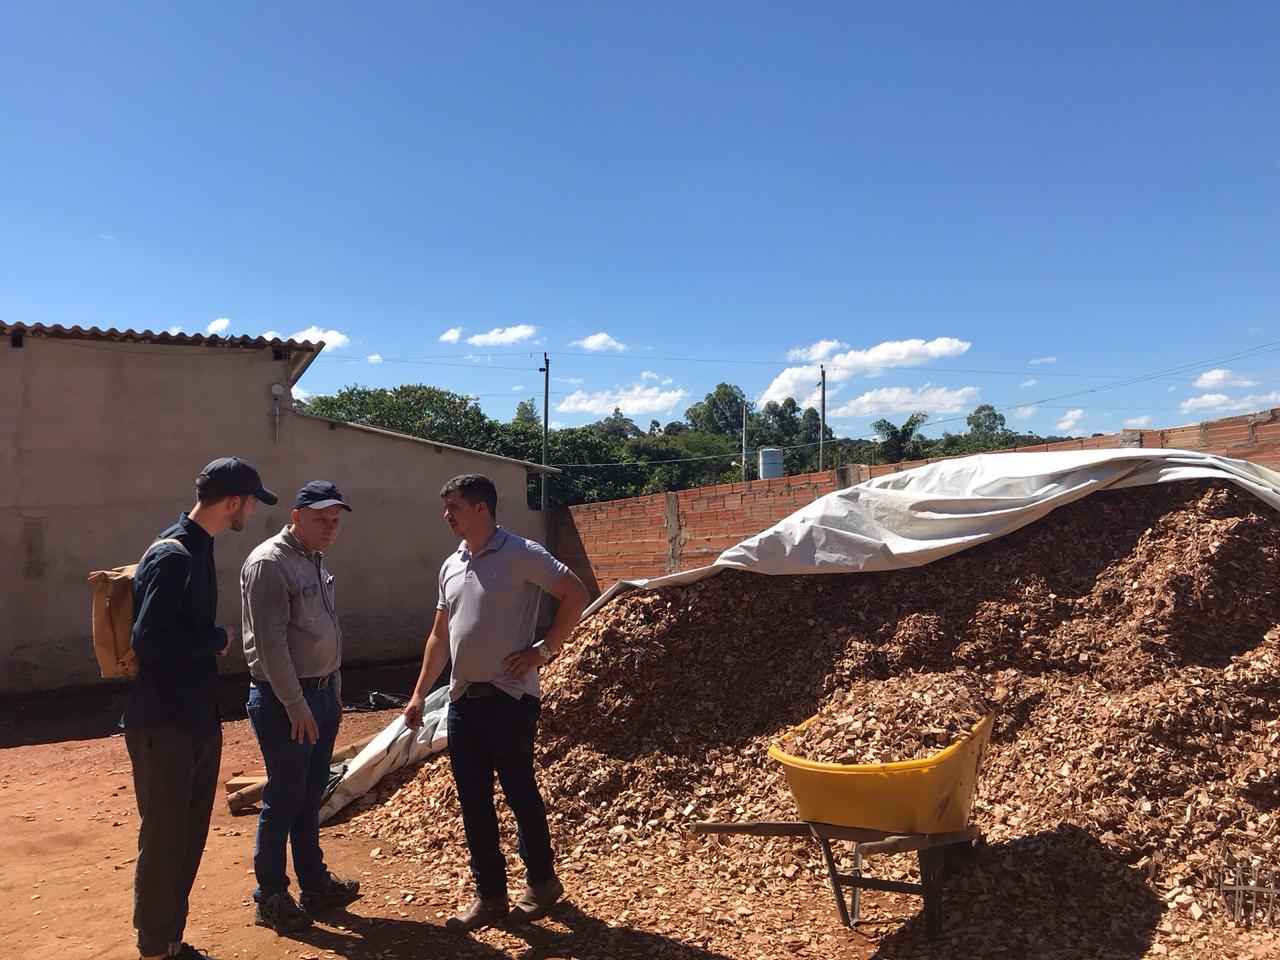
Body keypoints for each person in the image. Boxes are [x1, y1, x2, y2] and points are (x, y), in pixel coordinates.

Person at [403, 473, 591, 933]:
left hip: (510, 699)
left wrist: (543, 651)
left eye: (455, 507)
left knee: (520, 793)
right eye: (445, 507)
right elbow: (439, 634)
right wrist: (418, 694)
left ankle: (543, 883)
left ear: (482, 508)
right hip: (464, 699)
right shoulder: (450, 565)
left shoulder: (521, 553)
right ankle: (490, 896)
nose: (447, 515)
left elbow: (577, 595)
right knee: (473, 801)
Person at [123, 457, 277, 960]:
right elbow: (147, 641)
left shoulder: (196, 547)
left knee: (186, 838)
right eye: (251, 502)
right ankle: (154, 947)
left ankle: (169, 942)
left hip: (192, 719)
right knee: (166, 839)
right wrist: (215, 638)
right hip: (165, 723)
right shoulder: (176, 555)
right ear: (233, 502)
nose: (252, 511)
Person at [240, 480, 361, 934]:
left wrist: (333, 692)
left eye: (336, 521)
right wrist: (296, 705)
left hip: (319, 693)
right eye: (321, 519)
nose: (331, 528)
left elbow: (328, 630)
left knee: (311, 794)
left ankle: (314, 884)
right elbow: (270, 646)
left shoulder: (313, 558)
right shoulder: (270, 563)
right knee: (285, 798)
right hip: (284, 700)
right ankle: (270, 895)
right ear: (296, 517)